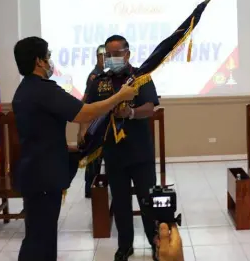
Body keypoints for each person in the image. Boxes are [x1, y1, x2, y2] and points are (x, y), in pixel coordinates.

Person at [12, 36, 137, 261]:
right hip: (43, 176)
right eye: (48, 56)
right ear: (39, 61)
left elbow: (40, 131)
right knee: (40, 238)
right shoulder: (42, 90)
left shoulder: (26, 89)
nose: (51, 61)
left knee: (42, 234)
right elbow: (84, 112)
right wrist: (119, 96)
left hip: (36, 171)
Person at [84, 35, 159, 261]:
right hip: (113, 152)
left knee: (148, 201)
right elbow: (89, 109)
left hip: (140, 152)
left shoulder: (141, 78)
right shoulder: (99, 80)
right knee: (120, 202)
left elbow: (150, 107)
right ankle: (125, 245)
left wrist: (131, 113)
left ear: (127, 53)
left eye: (117, 53)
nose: (112, 58)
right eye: (108, 54)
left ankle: (154, 241)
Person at [81, 44, 106, 198]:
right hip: (95, 124)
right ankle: (90, 189)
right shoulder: (94, 76)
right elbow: (86, 101)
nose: (104, 58)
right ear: (97, 57)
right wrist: (82, 129)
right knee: (94, 160)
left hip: (110, 124)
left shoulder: (111, 74)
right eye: (102, 55)